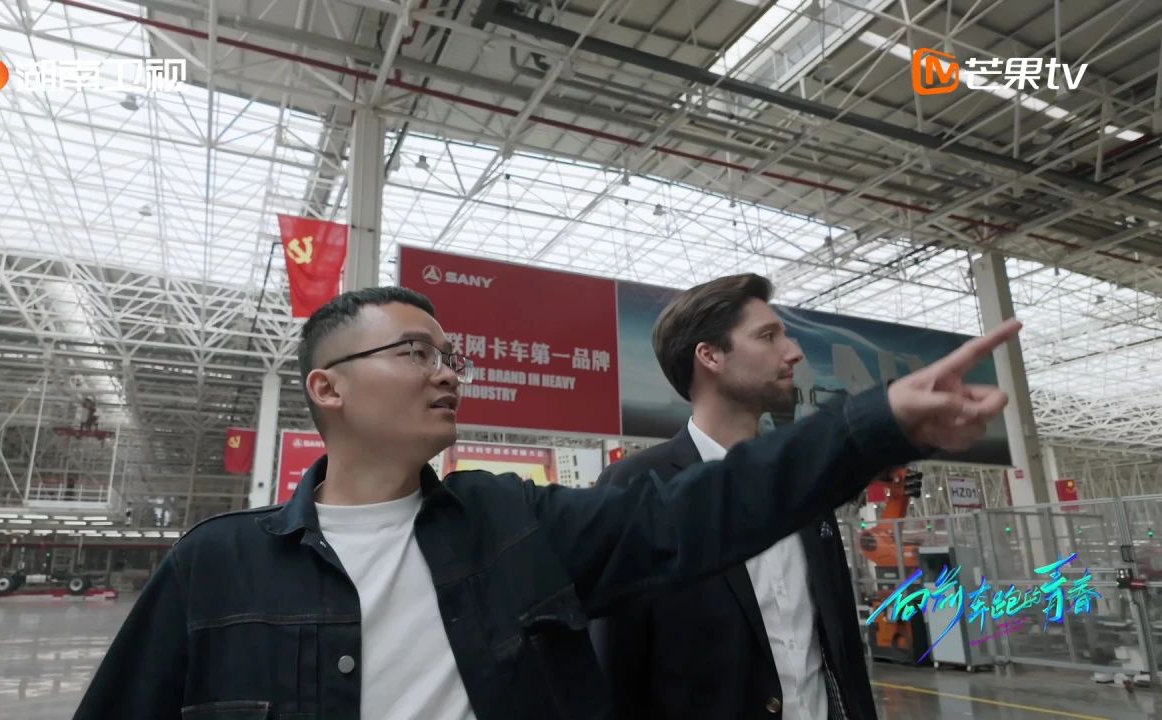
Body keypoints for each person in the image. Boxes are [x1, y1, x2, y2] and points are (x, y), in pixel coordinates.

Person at [73, 286, 1018, 720]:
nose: (448, 373)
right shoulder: (216, 567)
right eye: (415, 353)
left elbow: (701, 513)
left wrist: (877, 421)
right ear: (328, 389)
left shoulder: (514, 528)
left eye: (452, 356)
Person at [593, 274, 889, 720]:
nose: (793, 352)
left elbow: (839, 644)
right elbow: (613, 670)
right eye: (768, 336)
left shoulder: (802, 480)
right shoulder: (637, 489)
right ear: (710, 355)